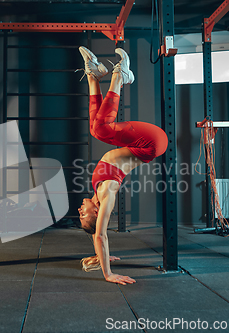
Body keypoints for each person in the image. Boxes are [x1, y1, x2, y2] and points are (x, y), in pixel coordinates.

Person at [77, 46, 168, 285]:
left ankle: (94, 76)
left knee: (96, 129)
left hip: (141, 144)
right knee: (101, 129)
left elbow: (97, 236)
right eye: (83, 216)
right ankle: (120, 76)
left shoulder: (99, 190)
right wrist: (107, 273)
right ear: (96, 213)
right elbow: (100, 234)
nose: (79, 211)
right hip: (151, 143)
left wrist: (100, 257)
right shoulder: (107, 194)